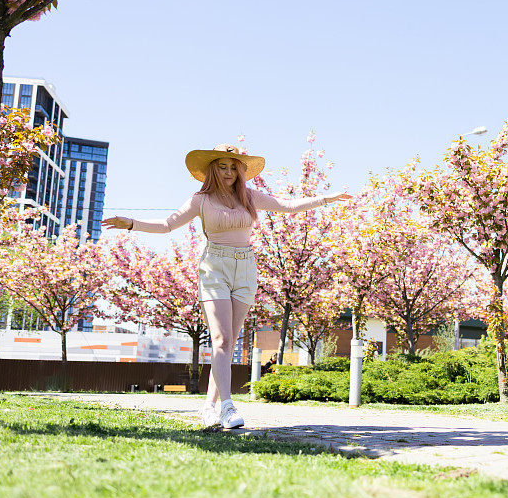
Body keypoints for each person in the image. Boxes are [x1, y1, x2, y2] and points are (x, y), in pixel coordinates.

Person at [103, 144, 350, 428]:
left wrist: (326, 198)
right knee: (220, 339)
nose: (229, 172)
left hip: (245, 268)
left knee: (229, 342)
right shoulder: (201, 200)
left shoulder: (249, 197)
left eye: (234, 167)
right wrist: (132, 223)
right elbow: (168, 224)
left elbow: (288, 206)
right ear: (212, 169)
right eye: (223, 166)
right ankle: (228, 407)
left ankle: (208, 406)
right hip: (214, 269)